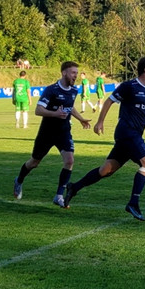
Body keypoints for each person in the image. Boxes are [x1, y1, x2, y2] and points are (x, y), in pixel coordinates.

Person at [64, 56, 145, 221]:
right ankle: (133, 203)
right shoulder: (129, 86)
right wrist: (100, 121)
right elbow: (109, 101)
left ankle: (74, 187)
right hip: (127, 133)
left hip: (132, 136)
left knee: (106, 170)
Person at [13, 61, 91, 206]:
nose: (76, 76)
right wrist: (55, 114)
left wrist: (81, 119)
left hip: (64, 132)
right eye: (73, 73)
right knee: (34, 162)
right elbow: (38, 110)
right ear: (64, 73)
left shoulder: (74, 90)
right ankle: (19, 180)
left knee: (69, 161)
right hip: (47, 133)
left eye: (77, 73)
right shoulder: (51, 90)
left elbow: (70, 107)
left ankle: (59, 195)